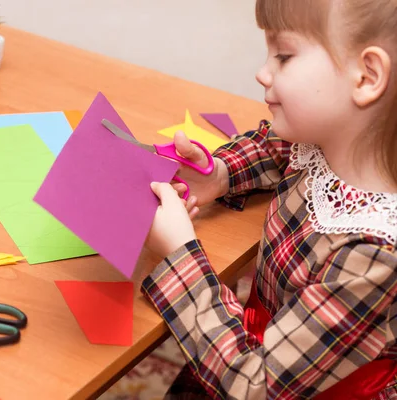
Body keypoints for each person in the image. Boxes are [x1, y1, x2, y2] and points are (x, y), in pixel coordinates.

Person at [141, 0, 397, 398]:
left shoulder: (374, 256)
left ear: (366, 76)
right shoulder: (331, 144)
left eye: (284, 55)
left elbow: (255, 386)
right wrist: (219, 175)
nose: (262, 72)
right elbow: (276, 148)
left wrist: (179, 254)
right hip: (249, 344)